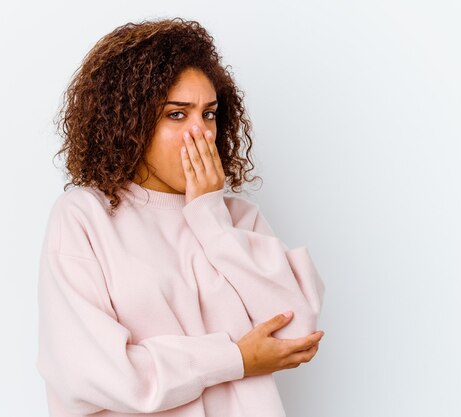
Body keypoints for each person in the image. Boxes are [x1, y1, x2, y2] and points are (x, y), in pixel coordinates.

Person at [36, 17, 326, 417]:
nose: (201, 133)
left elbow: (297, 335)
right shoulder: (86, 217)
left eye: (209, 114)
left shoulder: (237, 219)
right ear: (131, 124)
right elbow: (95, 376)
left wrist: (209, 217)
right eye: (177, 115)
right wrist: (235, 358)